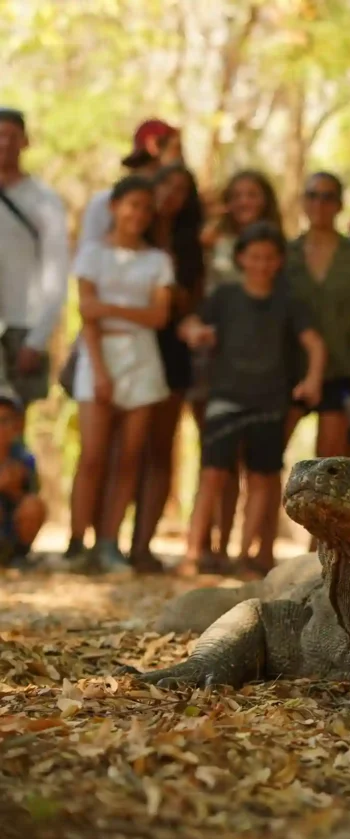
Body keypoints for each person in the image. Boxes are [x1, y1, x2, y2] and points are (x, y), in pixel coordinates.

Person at [178, 222, 326, 576]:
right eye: (254, 256)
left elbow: (315, 344)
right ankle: (193, 553)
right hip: (225, 398)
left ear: (279, 261)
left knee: (261, 478)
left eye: (269, 257)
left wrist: (313, 380)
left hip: (269, 402)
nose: (261, 264)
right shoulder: (226, 296)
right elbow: (188, 324)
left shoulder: (288, 302)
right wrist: (196, 333)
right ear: (241, 257)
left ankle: (246, 556)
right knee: (212, 474)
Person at [67, 175, 174, 573]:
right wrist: (98, 369)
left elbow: (158, 315)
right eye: (132, 205)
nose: (138, 214)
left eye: (147, 208)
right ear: (114, 207)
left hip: (143, 358)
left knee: (129, 457)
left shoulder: (158, 261)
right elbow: (86, 312)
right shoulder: (92, 254)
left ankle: (110, 542)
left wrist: (109, 308)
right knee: (93, 455)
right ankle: (78, 542)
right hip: (97, 354)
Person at [191, 169, 283, 572]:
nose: (246, 202)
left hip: (267, 380)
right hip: (220, 366)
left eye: (254, 194)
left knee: (262, 469)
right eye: (238, 194)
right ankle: (207, 547)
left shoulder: (280, 256)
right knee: (216, 465)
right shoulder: (209, 242)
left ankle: (252, 552)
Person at [128, 163, 206, 572]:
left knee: (160, 448)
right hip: (128, 344)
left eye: (182, 189)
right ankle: (99, 541)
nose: (172, 195)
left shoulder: (190, 244)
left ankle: (142, 545)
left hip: (172, 347)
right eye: (167, 186)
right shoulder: (127, 232)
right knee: (126, 449)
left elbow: (188, 302)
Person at [284, 172, 350, 460]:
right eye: (313, 196)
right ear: (303, 202)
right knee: (264, 464)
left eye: (328, 197)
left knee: (329, 466)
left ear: (339, 204)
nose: (319, 204)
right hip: (291, 373)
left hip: (342, 374)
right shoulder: (285, 255)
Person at [0, 108, 69, 421]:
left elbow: (56, 275)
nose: (3, 143)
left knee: (9, 430)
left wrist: (37, 339)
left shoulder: (44, 200)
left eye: (11, 136)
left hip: (21, 328)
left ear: (24, 142)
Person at [77, 119, 183, 253]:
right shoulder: (103, 202)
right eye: (175, 148)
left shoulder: (172, 203)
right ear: (154, 146)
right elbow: (89, 256)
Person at [0, 386, 46, 568]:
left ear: (17, 425)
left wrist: (13, 489)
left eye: (5, 421)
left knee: (34, 506)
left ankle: (17, 555)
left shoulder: (24, 459)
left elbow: (31, 497)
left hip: (10, 529)